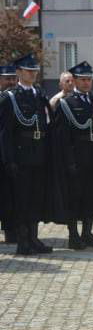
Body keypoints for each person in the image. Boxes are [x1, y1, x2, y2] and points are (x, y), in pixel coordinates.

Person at [53, 61, 93, 250]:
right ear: (75, 80)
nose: (87, 83)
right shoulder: (67, 104)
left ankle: (87, 232)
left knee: (91, 196)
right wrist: (69, 162)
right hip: (77, 158)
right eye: (83, 79)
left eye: (89, 79)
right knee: (74, 197)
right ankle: (73, 235)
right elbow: (62, 138)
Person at [0, 54, 53, 254]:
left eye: (34, 71)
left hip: (38, 154)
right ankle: (23, 241)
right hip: (20, 157)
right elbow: (5, 133)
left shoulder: (39, 95)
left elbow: (47, 125)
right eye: (28, 71)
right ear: (19, 72)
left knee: (36, 198)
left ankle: (34, 238)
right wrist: (9, 160)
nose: (32, 74)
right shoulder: (10, 97)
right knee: (21, 201)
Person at [0, 63, 19, 242]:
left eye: (14, 78)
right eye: (7, 79)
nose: (11, 82)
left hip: (7, 154)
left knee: (9, 195)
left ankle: (10, 230)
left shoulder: (15, 99)